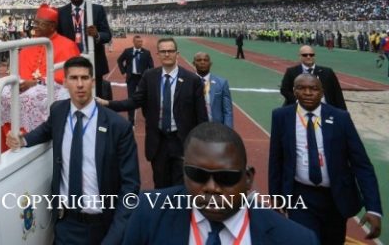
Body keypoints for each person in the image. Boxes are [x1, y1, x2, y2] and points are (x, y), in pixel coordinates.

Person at [6, 56, 140, 245]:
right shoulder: (58, 111)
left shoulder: (118, 126)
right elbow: (46, 130)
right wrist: (23, 140)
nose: (80, 84)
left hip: (103, 227)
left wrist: (115, 236)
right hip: (66, 224)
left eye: (84, 78)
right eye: (74, 78)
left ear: (93, 82)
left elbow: (131, 187)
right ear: (65, 82)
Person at [123, 122, 318, 244]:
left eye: (225, 177)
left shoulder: (296, 239)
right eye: (198, 175)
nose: (211, 187)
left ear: (248, 178)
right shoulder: (148, 213)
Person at [269, 73, 382, 244]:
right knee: (304, 240)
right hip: (300, 196)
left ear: (322, 92)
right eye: (301, 88)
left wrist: (373, 208)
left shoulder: (340, 118)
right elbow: (276, 160)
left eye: (313, 89)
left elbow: (361, 164)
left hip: (335, 198)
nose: (308, 93)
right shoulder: (281, 116)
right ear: (294, 91)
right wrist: (276, 198)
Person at [98, 38, 208, 188]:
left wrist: (202, 147)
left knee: (182, 188)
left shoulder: (192, 80)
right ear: (158, 54)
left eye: (170, 51)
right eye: (163, 51)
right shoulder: (149, 76)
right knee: (160, 186)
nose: (167, 54)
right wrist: (108, 104)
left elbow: (202, 117)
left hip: (182, 142)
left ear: (177, 54)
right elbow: (134, 101)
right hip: (158, 143)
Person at [0, 4, 79, 131]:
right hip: (27, 86)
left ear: (52, 26)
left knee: (30, 97)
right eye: (35, 23)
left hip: (53, 89)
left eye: (40, 23)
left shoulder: (68, 45)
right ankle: (7, 136)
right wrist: (21, 83)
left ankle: (29, 135)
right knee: (2, 94)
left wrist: (36, 83)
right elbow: (20, 72)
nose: (35, 26)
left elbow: (65, 77)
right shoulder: (31, 43)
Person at [57, 0, 112, 99]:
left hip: (93, 60)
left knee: (95, 97)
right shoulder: (61, 12)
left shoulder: (97, 9)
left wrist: (97, 35)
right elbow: (58, 37)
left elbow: (107, 35)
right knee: (73, 96)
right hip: (71, 60)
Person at [279, 45, 346, 110]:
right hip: (298, 108)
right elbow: (284, 90)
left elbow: (337, 93)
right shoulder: (291, 72)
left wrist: (343, 111)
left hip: (324, 108)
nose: (308, 57)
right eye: (305, 55)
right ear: (300, 56)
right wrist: (298, 100)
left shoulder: (327, 72)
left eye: (311, 55)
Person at [116, 35, 154, 126]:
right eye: (138, 41)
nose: (140, 43)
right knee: (131, 99)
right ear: (133, 42)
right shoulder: (127, 51)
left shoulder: (146, 53)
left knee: (145, 98)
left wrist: (149, 76)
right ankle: (131, 120)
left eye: (141, 41)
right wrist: (123, 72)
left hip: (142, 79)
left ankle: (147, 117)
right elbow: (119, 60)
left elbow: (151, 66)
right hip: (131, 78)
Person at [193, 52, 234, 128]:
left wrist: (228, 131)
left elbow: (228, 111)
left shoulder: (222, 83)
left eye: (205, 60)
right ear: (193, 63)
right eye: (199, 60)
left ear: (210, 63)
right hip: (194, 128)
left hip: (216, 127)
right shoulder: (188, 82)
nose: (202, 62)